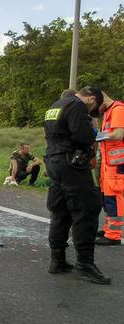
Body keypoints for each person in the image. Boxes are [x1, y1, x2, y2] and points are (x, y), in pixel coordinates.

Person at [44, 86, 110, 284]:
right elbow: (83, 136)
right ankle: (85, 264)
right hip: (71, 163)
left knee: (60, 210)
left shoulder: (56, 105)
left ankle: (57, 260)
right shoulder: (77, 106)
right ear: (91, 98)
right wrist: (92, 134)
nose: (93, 110)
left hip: (54, 161)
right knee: (86, 209)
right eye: (94, 106)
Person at [95, 91, 124, 246]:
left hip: (117, 165)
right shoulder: (108, 111)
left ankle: (114, 235)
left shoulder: (118, 109)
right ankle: (108, 229)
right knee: (107, 199)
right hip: (109, 165)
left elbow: (118, 134)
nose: (96, 110)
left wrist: (98, 135)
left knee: (114, 200)